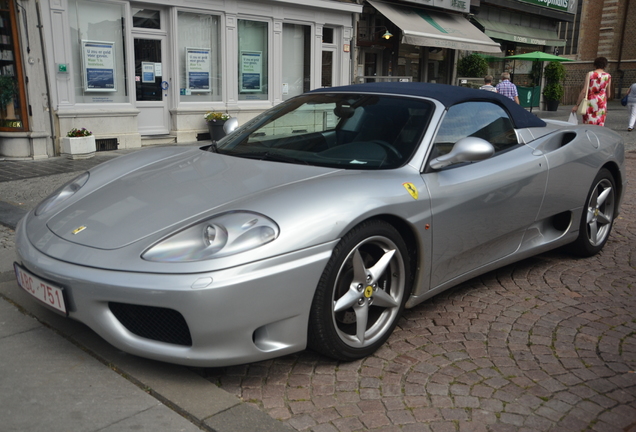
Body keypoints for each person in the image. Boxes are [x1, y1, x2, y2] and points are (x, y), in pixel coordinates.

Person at [572, 56, 612, 126]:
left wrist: (577, 105)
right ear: (605, 66)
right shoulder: (608, 76)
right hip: (601, 104)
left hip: (590, 102)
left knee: (589, 124)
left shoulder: (590, 74)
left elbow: (584, 91)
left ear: (595, 65)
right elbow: (608, 95)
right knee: (599, 125)